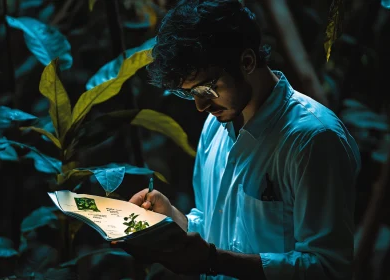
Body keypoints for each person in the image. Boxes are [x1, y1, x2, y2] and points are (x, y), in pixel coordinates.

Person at [121, 0, 361, 279]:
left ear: (247, 61)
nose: (200, 105)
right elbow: (216, 227)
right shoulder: (214, 126)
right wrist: (172, 218)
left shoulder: (313, 140)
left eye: (207, 88)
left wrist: (214, 260)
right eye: (190, 93)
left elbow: (327, 268)